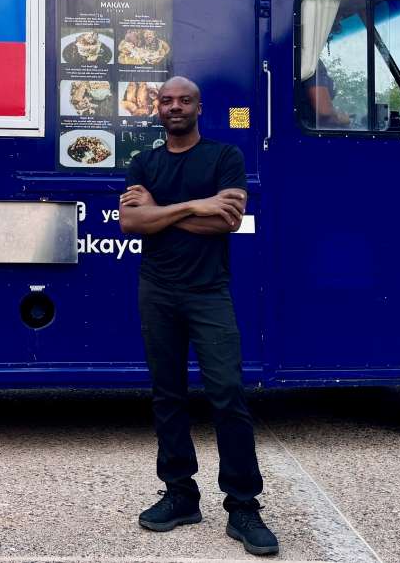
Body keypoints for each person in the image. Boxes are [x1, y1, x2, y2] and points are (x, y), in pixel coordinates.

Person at [118, 76, 279, 557]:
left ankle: (244, 506)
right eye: (166, 100)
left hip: (209, 292)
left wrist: (162, 211)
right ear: (157, 109)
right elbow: (131, 223)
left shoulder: (223, 157)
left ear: (198, 107)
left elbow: (227, 219)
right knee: (167, 395)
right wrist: (195, 205)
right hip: (158, 292)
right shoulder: (142, 162)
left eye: (183, 100)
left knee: (227, 392)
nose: (174, 107)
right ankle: (181, 496)